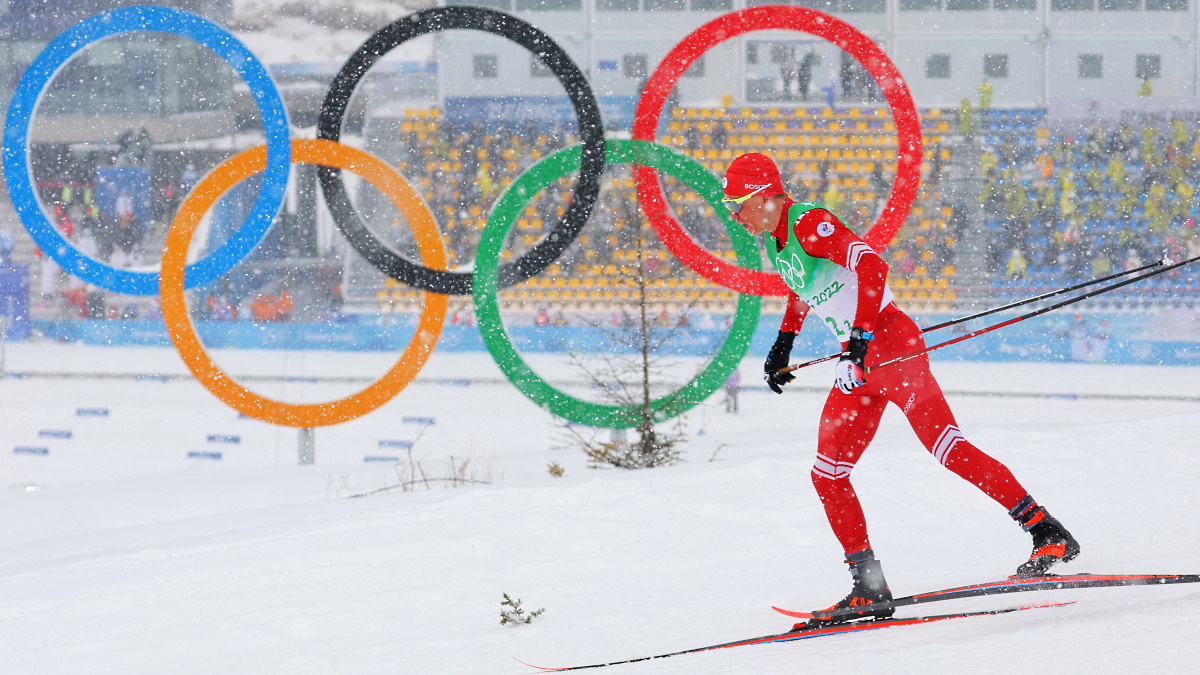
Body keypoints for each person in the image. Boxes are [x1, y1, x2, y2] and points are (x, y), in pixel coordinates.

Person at [720, 153, 1080, 624]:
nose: (734, 215)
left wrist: (859, 340)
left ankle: (1046, 531)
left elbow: (873, 268)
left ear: (765, 196)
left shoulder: (809, 221)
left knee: (947, 448)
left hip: (889, 344)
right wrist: (784, 342)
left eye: (738, 204)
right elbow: (801, 284)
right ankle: (869, 587)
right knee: (827, 474)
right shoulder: (778, 239)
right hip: (858, 363)